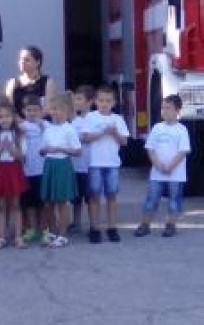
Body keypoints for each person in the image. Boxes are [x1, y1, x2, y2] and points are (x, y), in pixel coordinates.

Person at [135, 94, 191, 237]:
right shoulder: (157, 128)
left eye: (168, 108)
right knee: (151, 199)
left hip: (176, 174)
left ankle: (171, 224)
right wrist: (158, 164)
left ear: (178, 111)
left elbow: (183, 151)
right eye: (163, 108)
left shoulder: (181, 130)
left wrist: (170, 166)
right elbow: (150, 149)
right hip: (157, 172)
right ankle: (145, 224)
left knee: (174, 200)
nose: (164, 111)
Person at [82, 85, 129, 243]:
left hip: (112, 164)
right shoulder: (90, 117)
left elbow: (124, 142)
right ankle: (95, 228)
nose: (104, 104)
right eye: (101, 100)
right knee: (94, 196)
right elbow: (85, 139)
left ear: (114, 103)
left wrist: (114, 133)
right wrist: (102, 132)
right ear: (95, 101)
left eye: (108, 101)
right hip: (95, 163)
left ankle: (112, 227)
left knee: (112, 196)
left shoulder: (118, 119)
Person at [39, 93, 81, 248]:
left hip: (63, 165)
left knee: (63, 202)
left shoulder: (69, 129)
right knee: (48, 202)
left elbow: (77, 151)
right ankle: (51, 231)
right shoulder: (48, 129)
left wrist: (60, 148)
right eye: (53, 109)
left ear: (67, 111)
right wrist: (44, 150)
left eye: (59, 109)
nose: (56, 112)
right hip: (49, 165)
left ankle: (63, 234)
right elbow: (42, 150)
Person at [0, 100, 28, 249]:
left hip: (13, 170)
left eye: (7, 116)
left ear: (13, 117)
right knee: (1, 206)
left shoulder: (18, 134)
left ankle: (18, 236)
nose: (4, 119)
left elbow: (22, 156)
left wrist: (11, 148)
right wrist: (0, 148)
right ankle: (1, 237)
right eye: (1, 117)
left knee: (16, 205)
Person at [19, 95, 49, 243]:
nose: (32, 113)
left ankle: (44, 230)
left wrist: (43, 127)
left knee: (43, 203)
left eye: (35, 110)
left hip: (43, 170)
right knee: (29, 204)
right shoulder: (21, 127)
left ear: (41, 110)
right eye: (29, 110)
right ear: (23, 111)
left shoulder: (46, 125)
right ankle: (31, 229)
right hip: (27, 171)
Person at [5, 46, 56, 117]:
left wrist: (33, 122)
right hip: (19, 124)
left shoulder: (47, 82)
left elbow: (48, 107)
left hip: (40, 123)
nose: (22, 62)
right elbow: (8, 107)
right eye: (20, 59)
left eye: (27, 60)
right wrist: (21, 122)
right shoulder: (12, 83)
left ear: (38, 62)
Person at [71, 85, 95, 233]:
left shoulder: (95, 119)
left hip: (90, 164)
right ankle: (76, 222)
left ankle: (93, 224)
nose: (76, 102)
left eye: (79, 99)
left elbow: (89, 139)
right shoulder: (75, 122)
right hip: (76, 165)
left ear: (90, 101)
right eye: (75, 99)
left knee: (91, 197)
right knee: (76, 196)